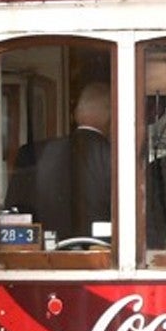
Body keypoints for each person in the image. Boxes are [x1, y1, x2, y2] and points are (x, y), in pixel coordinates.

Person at [33, 82, 112, 241]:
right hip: (103, 253)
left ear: (76, 114)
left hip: (48, 253)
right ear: (110, 114)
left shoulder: (40, 153)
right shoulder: (116, 156)